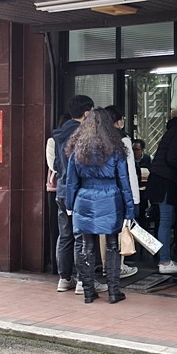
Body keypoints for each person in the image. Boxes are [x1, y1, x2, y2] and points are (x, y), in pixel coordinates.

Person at [65, 108, 137, 304]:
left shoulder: (78, 149)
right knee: (113, 246)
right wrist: (130, 210)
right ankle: (114, 291)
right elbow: (124, 182)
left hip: (84, 199)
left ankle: (88, 292)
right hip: (111, 199)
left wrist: (70, 205)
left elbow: (71, 182)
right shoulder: (116, 149)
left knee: (86, 247)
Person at [51, 95, 106, 296]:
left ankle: (64, 278)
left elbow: (58, 165)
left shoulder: (60, 134)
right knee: (83, 236)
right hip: (79, 190)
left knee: (65, 235)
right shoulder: (82, 133)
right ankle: (84, 280)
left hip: (62, 190)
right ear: (86, 113)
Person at [144, 109, 177, 274]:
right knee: (166, 219)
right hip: (165, 180)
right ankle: (164, 261)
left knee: (165, 219)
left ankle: (161, 257)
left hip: (157, 178)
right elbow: (173, 158)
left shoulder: (171, 130)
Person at [105, 105, 140, 280]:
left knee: (106, 232)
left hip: (104, 193)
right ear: (118, 121)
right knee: (121, 230)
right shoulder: (123, 140)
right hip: (121, 192)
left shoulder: (97, 139)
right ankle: (118, 266)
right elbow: (129, 171)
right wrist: (134, 197)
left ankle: (107, 265)